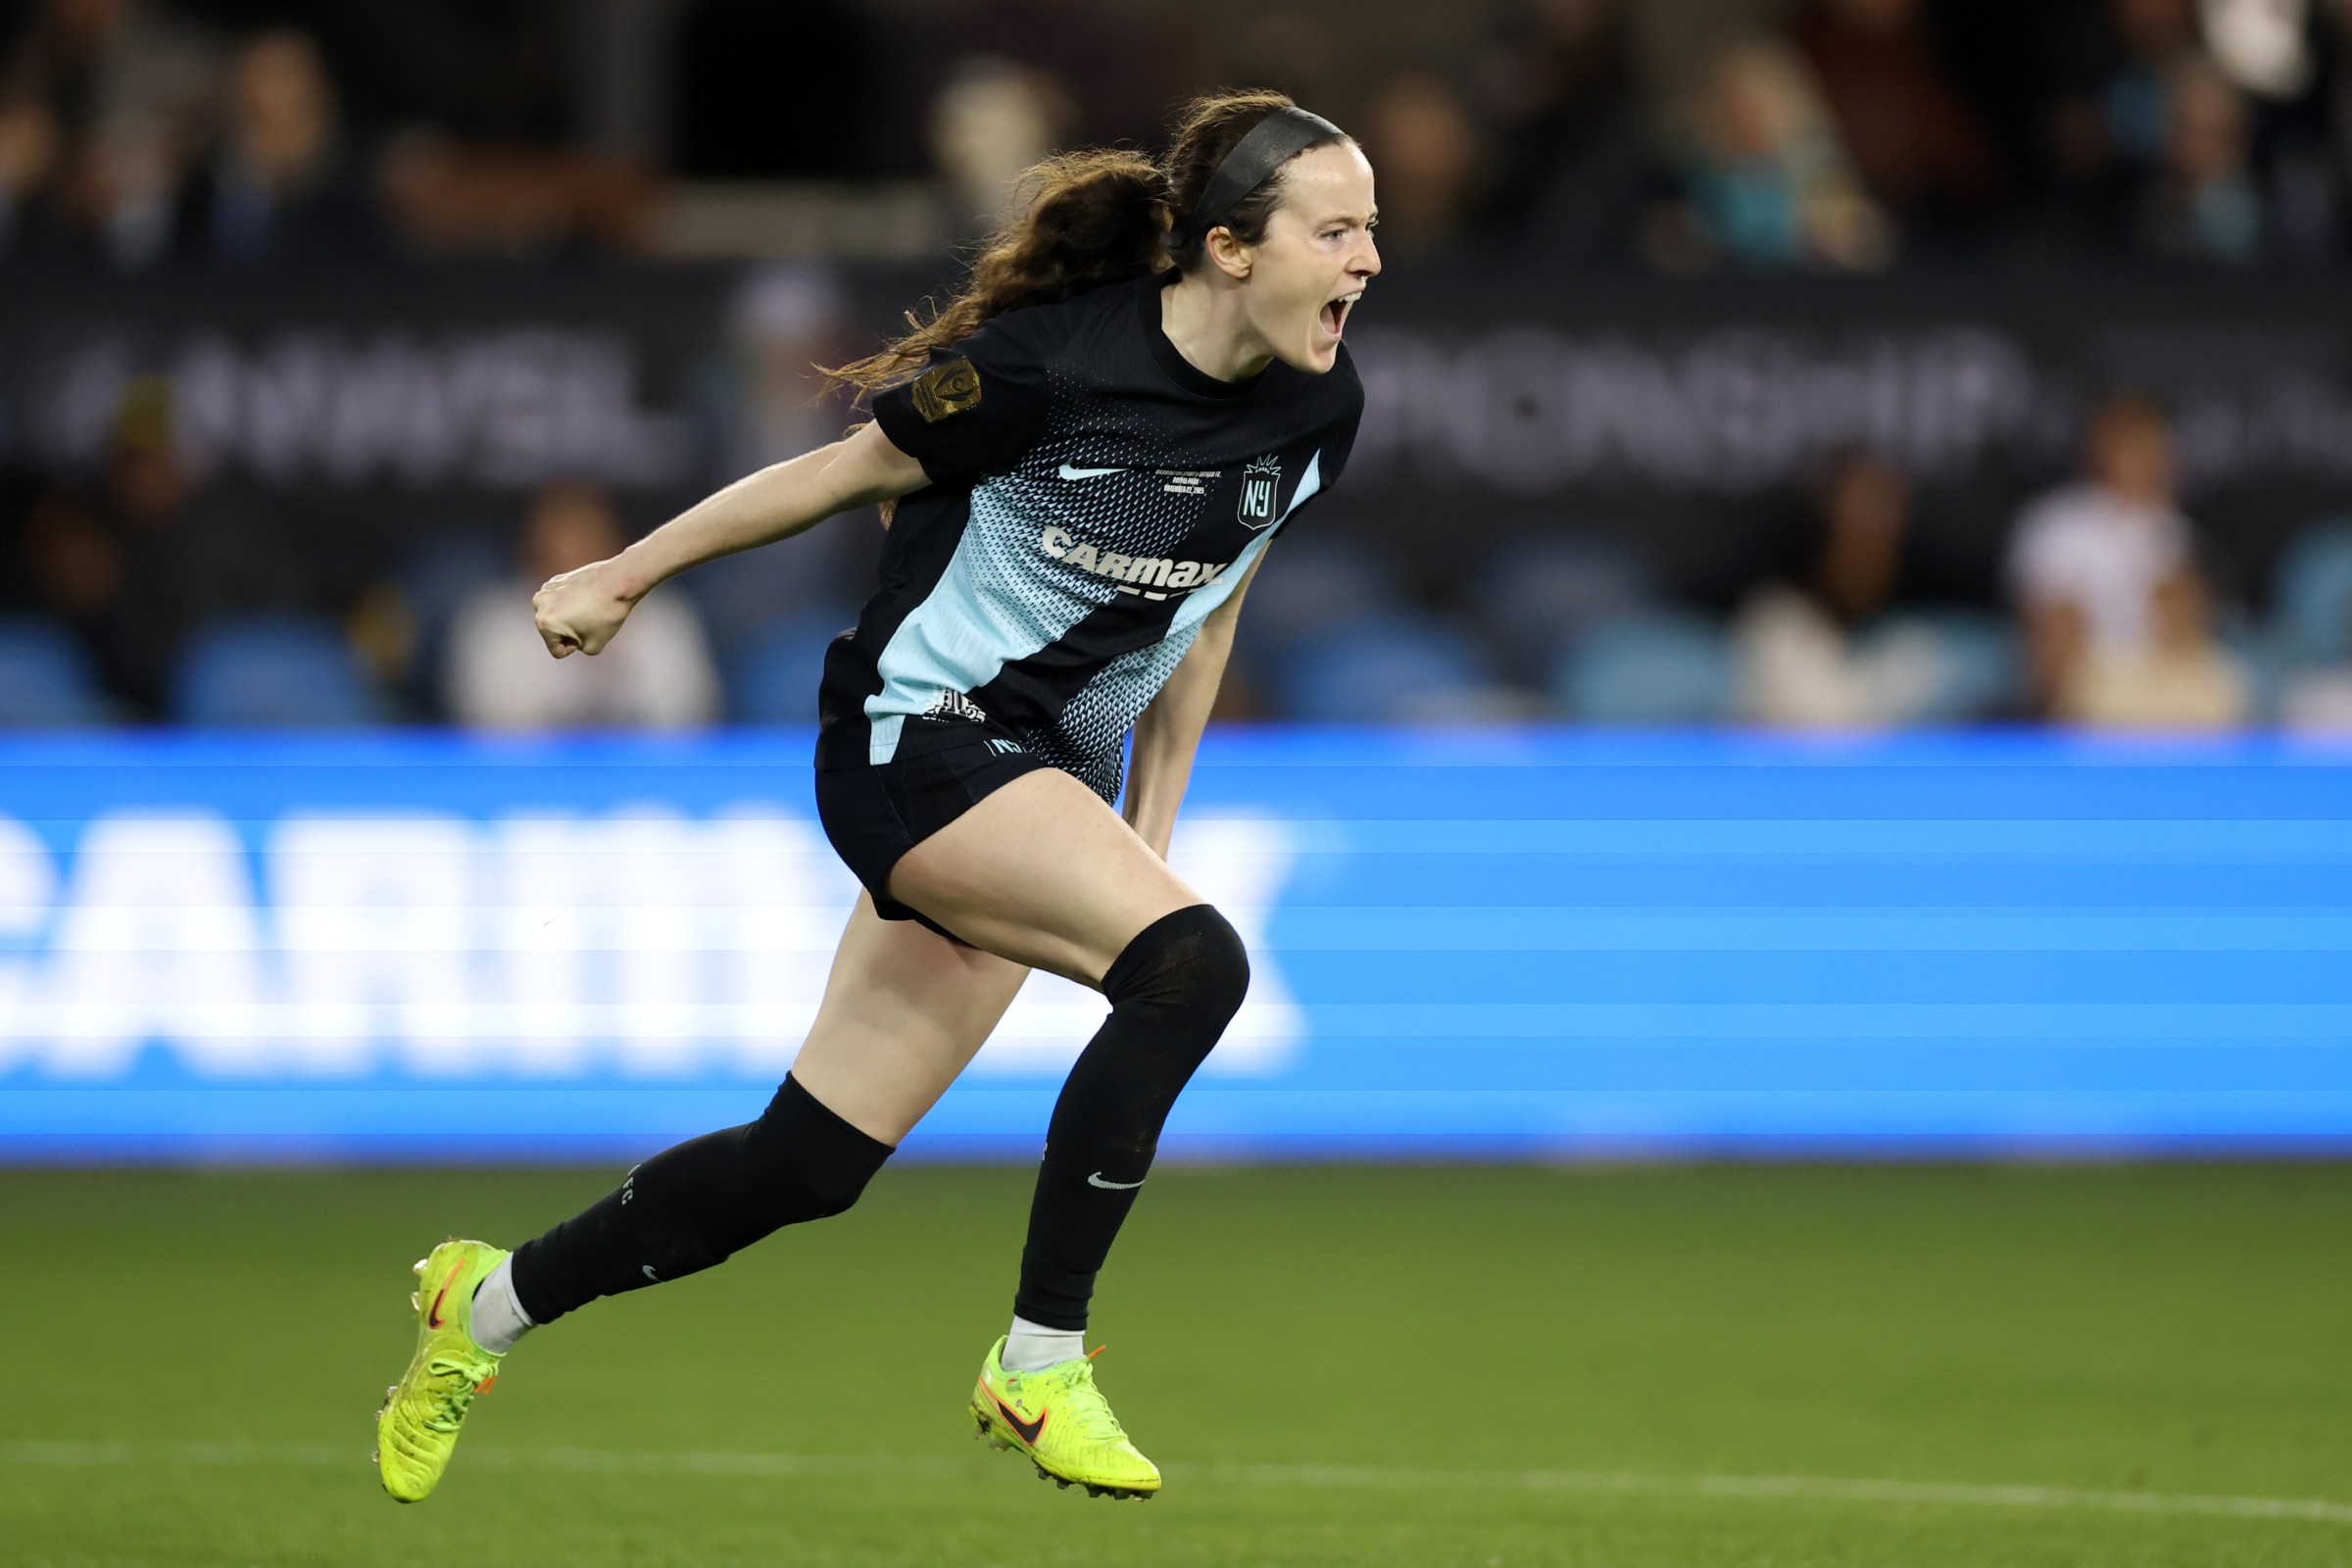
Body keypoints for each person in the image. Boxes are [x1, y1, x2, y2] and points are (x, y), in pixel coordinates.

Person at [372, 90, 1375, 1505]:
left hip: (1044, 788)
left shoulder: (1316, 409)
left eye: (1370, 231)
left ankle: (481, 1307)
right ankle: (1039, 1362)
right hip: (921, 745)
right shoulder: (1044, 371)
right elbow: (838, 475)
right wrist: (622, 577)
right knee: (1199, 965)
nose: (1367, 261)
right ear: (1228, 247)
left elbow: (1205, 627)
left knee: (809, 1162)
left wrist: (1139, 845)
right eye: (1335, 230)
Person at [441, 481, 721, 731]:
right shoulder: (495, 622)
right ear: (531, 551)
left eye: (588, 541)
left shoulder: (663, 617)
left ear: (616, 544)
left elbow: (690, 719)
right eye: (559, 543)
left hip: (644, 782)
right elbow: (491, 733)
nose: (574, 558)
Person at [2006, 392, 2198, 716]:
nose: (2152, 460)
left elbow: (2182, 625)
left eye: (2157, 449)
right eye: (2138, 448)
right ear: (2103, 450)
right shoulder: (2058, 522)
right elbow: (2053, 629)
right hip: (2086, 674)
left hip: (2154, 671)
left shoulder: (2168, 528)